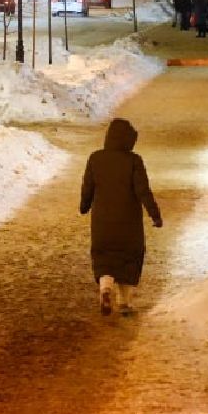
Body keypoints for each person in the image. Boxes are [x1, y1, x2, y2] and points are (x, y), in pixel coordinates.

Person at [79, 117, 163, 316]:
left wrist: (84, 206)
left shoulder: (95, 158)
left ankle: (106, 287)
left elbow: (87, 187)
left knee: (104, 257)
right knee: (128, 259)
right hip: (129, 223)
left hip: (102, 222)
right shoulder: (134, 161)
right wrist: (155, 215)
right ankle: (124, 302)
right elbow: (143, 191)